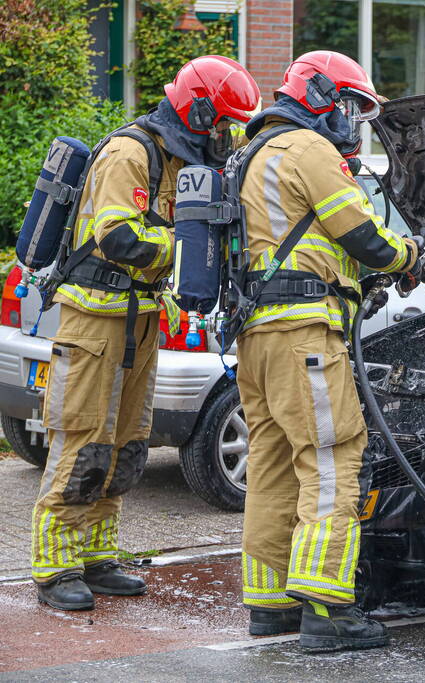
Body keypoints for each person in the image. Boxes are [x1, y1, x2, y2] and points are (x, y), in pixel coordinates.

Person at [31, 56, 261, 611]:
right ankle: (54, 564)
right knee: (83, 438)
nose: (226, 136)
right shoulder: (130, 154)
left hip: (140, 318)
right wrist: (186, 254)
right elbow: (116, 236)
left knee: (127, 443)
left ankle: (98, 555)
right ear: (198, 109)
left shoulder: (174, 159)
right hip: (94, 319)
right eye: (223, 123)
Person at [234, 50, 419, 652]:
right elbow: (361, 232)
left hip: (258, 336)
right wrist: (409, 257)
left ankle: (270, 602)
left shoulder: (250, 154)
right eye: (350, 106)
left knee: (273, 463)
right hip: (304, 333)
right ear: (321, 96)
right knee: (333, 455)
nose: (352, 122)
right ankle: (327, 608)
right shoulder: (307, 150)